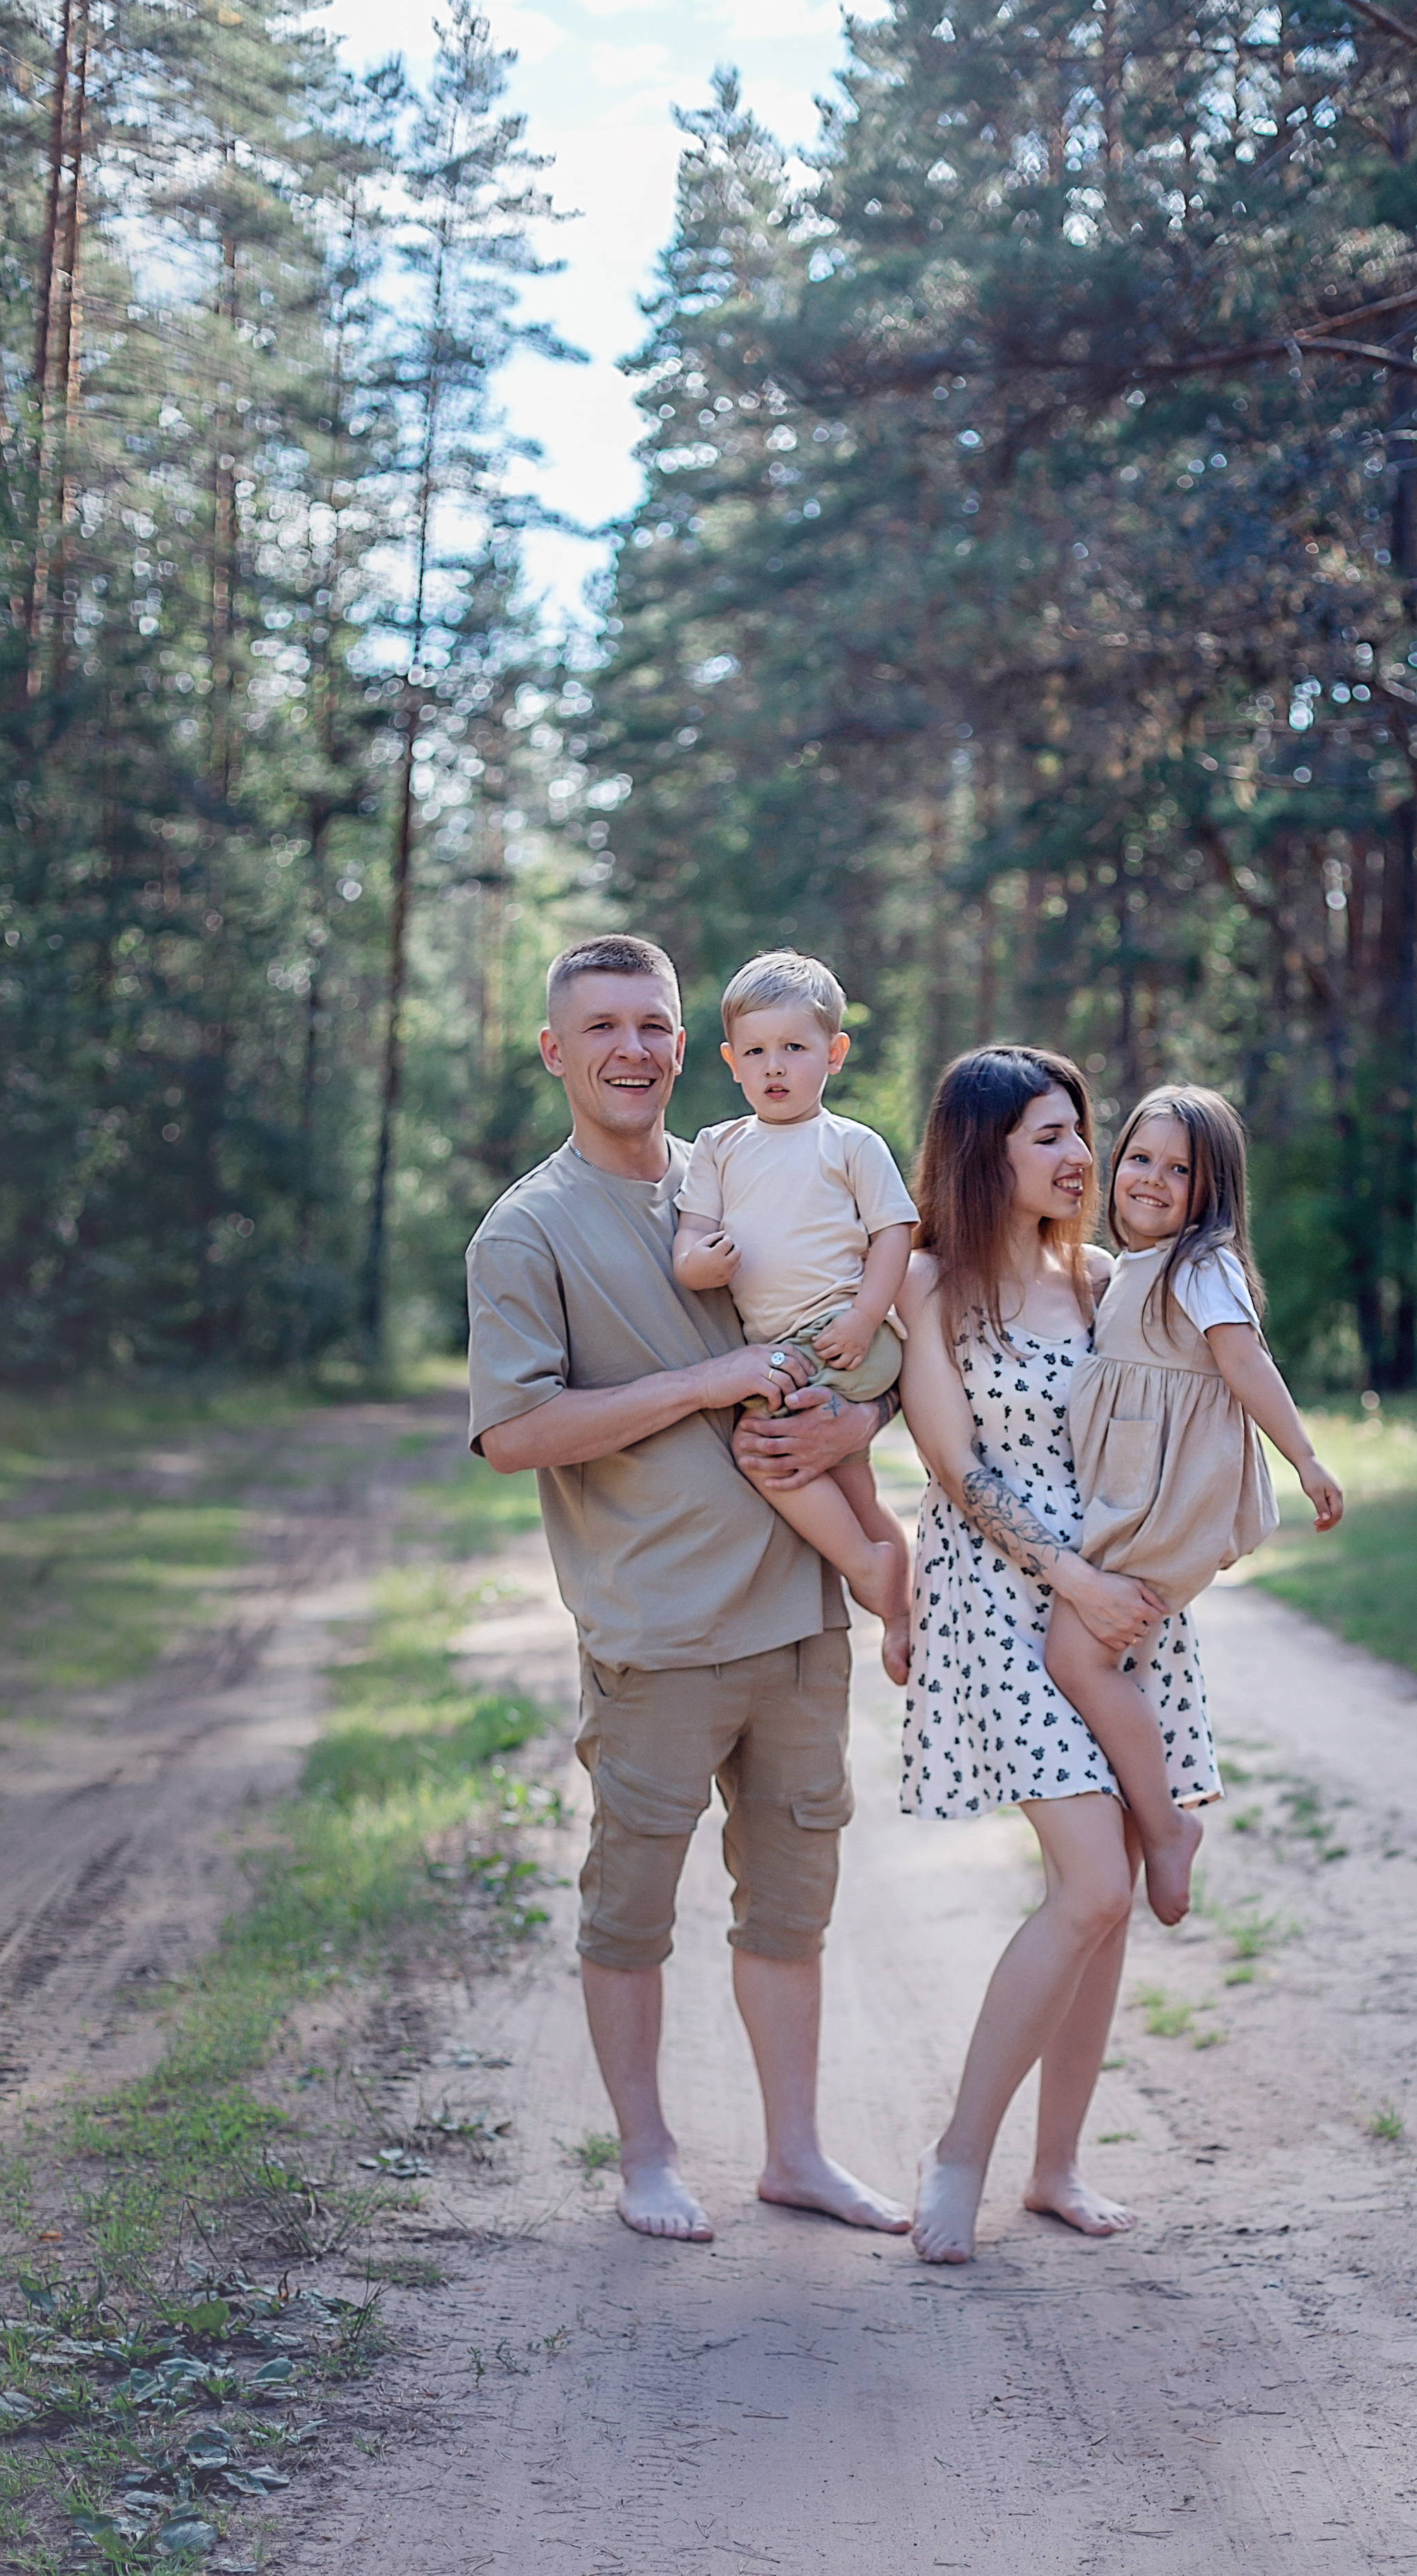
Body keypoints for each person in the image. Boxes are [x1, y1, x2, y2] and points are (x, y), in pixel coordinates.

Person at [465, 931, 908, 2245]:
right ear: (556, 1051)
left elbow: (853, 1343)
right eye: (602, 1027)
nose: (632, 1050)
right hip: (658, 1633)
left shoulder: (752, 1160)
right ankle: (648, 2157)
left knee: (790, 1903)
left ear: (684, 1042)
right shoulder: (528, 1229)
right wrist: (700, 1386)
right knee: (632, 1908)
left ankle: (795, 2157)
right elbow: (513, 1434)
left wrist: (861, 1428)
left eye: (652, 1024)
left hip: (800, 1621)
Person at [897, 1046, 1222, 2265]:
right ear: (986, 1151)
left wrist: (1167, 1559)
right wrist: (1068, 1573)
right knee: (1089, 1880)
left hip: (1123, 1600)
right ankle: (959, 2160)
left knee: (1117, 1891)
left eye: (1080, 1130)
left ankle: (1056, 2168)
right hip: (1003, 1593)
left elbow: (1186, 1416)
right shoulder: (931, 1282)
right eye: (1049, 1135)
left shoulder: (1106, 1283)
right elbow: (953, 1466)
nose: (1080, 1155)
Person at [1045, 1084, 1344, 1928]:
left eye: (1179, 1170)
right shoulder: (1131, 1266)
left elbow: (1246, 1365)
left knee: (1078, 1657)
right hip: (1135, 1490)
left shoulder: (1200, 1267)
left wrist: (1305, 1457)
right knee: (1103, 1657)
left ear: (1212, 1194)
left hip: (1166, 1495)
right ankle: (1148, 1815)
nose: (1151, 1179)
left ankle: (1167, 1827)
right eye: (1139, 1158)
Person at [674, 949, 917, 1682]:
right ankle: (899, 1603)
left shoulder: (848, 1144)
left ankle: (862, 1568)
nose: (774, 1067)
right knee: (849, 1483)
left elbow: (894, 1233)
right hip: (782, 1346)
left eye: (794, 1049)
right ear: (730, 1062)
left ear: (833, 1053)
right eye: (756, 1051)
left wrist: (864, 1314)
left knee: (765, 1449)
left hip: (846, 1335)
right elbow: (691, 1234)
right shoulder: (720, 1147)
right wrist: (696, 1264)